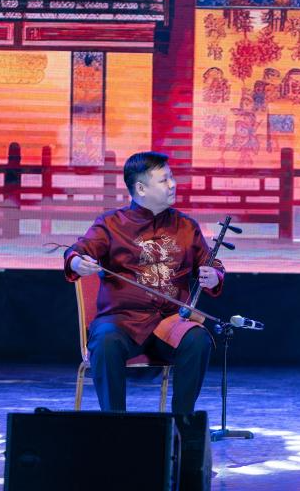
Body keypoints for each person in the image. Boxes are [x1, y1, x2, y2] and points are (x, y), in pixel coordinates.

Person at [64, 151, 225, 414]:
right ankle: (116, 424)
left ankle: (181, 424)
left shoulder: (186, 227)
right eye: (163, 180)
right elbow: (77, 251)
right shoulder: (110, 224)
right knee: (105, 342)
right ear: (140, 188)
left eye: (171, 177)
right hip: (122, 321)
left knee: (198, 339)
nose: (172, 184)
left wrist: (214, 275)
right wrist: (76, 263)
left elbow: (212, 264)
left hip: (170, 322)